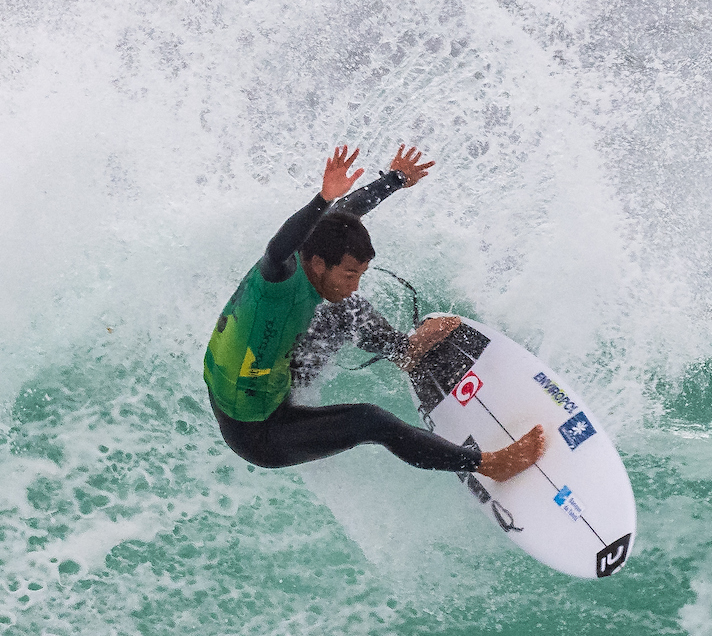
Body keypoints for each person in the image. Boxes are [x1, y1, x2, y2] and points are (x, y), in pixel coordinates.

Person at [203, 145, 546, 481]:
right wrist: (322, 198)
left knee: (345, 309)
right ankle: (488, 465)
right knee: (371, 421)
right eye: (350, 275)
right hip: (258, 432)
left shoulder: (317, 249)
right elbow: (276, 249)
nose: (354, 285)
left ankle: (404, 353)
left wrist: (394, 179)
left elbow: (346, 215)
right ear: (319, 264)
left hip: (259, 378)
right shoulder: (276, 281)